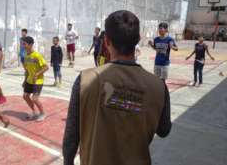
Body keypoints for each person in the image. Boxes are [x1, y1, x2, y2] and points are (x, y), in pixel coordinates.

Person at [63, 10, 171, 165]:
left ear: (106, 41)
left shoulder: (85, 80)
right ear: (138, 40)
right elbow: (164, 130)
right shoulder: (159, 86)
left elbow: (71, 138)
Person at [22, 36, 49, 122]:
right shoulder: (26, 56)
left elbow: (46, 67)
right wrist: (24, 80)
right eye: (23, 44)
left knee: (35, 98)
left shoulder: (37, 55)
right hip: (29, 80)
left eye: (25, 44)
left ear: (30, 45)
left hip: (38, 81)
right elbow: (27, 70)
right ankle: (34, 112)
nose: (23, 46)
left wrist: (37, 74)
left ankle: (42, 113)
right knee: (25, 96)